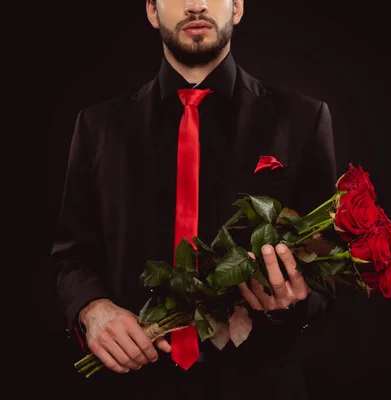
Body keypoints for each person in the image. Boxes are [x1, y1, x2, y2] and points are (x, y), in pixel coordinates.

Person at [50, 0, 338, 399]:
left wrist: (292, 305)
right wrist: (91, 309)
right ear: (152, 11)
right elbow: (72, 257)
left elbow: (327, 267)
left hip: (258, 386)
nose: (197, 5)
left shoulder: (302, 120)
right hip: (128, 386)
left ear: (237, 6)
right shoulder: (99, 127)